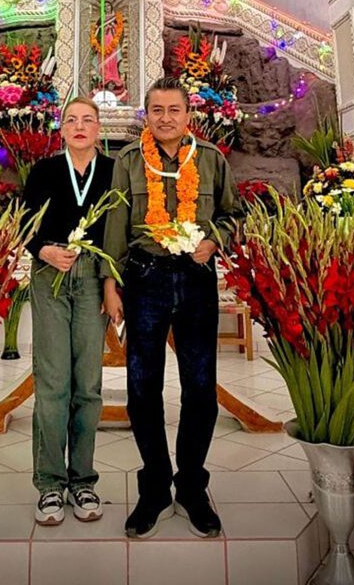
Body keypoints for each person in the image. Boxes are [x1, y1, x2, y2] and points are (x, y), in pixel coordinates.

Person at [102, 76, 239, 539]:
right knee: (143, 388)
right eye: (157, 110)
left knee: (200, 387)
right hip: (145, 279)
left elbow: (232, 214)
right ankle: (155, 487)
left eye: (173, 110)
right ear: (147, 115)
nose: (165, 118)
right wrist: (111, 284)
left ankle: (193, 487)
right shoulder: (128, 161)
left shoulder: (211, 159)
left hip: (196, 279)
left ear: (188, 115)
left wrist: (213, 242)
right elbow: (116, 224)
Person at [22, 97, 115, 526]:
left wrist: (111, 285)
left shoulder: (113, 171)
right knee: (53, 381)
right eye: (72, 120)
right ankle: (49, 483)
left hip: (94, 279)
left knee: (88, 385)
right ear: (61, 129)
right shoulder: (44, 171)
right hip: (50, 277)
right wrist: (43, 249)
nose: (80, 126)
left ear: (99, 129)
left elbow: (120, 230)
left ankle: (83, 480)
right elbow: (25, 223)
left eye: (88, 120)